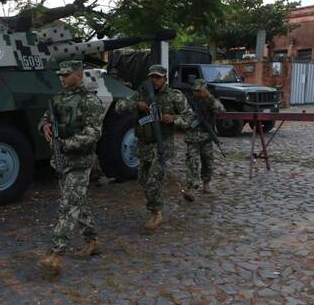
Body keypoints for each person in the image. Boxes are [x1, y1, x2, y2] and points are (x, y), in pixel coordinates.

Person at [37, 60, 105, 274]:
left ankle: (57, 255)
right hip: (62, 160)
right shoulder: (58, 98)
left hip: (80, 162)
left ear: (79, 75)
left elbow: (94, 133)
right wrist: (45, 126)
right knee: (78, 202)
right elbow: (45, 119)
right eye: (60, 75)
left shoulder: (89, 101)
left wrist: (66, 144)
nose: (62, 78)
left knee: (68, 206)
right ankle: (92, 241)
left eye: (66, 75)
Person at [115, 64, 191, 231]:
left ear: (165, 79)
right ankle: (154, 204)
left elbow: (189, 118)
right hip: (143, 144)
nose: (154, 80)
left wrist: (174, 119)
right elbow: (119, 106)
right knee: (143, 179)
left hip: (161, 144)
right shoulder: (140, 94)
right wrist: (137, 105)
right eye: (152, 77)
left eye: (158, 77)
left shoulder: (174, 96)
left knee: (153, 181)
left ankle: (156, 213)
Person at [182, 79, 226, 201]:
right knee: (192, 163)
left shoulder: (210, 101)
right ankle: (191, 188)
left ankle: (206, 184)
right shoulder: (188, 101)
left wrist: (210, 97)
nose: (197, 93)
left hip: (206, 137)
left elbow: (221, 111)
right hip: (192, 138)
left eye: (200, 90)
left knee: (208, 162)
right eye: (195, 90)